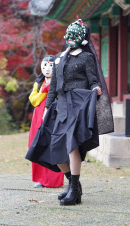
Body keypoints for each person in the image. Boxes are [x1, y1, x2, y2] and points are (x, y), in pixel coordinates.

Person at [26, 17, 114, 206]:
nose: (70, 39)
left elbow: (93, 80)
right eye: (69, 36)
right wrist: (47, 109)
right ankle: (73, 184)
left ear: (81, 38)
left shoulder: (86, 57)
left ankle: (74, 189)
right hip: (61, 106)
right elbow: (53, 87)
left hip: (78, 105)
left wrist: (97, 88)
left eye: (74, 36)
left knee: (72, 145)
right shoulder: (58, 58)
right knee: (54, 146)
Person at [28, 55, 64, 188]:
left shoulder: (60, 81)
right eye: (44, 66)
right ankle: (41, 179)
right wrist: (44, 90)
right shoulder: (39, 83)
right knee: (37, 144)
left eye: (50, 66)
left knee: (53, 145)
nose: (47, 69)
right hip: (38, 115)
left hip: (54, 115)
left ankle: (54, 180)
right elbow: (33, 100)